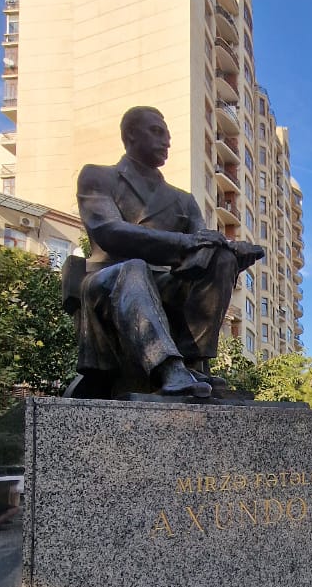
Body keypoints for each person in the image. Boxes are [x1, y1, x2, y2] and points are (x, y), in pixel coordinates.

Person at [69, 106, 264, 399]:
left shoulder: (183, 200)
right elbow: (109, 231)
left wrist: (230, 253)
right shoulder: (98, 176)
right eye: (156, 132)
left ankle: (193, 363)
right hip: (109, 284)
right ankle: (169, 369)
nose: (167, 141)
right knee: (134, 268)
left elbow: (201, 249)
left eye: (168, 135)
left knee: (220, 259)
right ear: (130, 134)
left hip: (166, 286)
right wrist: (185, 243)